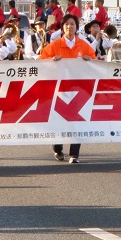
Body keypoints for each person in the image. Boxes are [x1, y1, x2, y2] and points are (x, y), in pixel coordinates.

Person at [40, 14, 94, 164]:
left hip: (78, 90)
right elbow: (41, 61)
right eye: (66, 24)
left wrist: (89, 60)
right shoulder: (55, 45)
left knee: (76, 121)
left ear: (77, 27)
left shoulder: (83, 45)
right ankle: (57, 148)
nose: (69, 27)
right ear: (62, 27)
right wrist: (51, 61)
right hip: (59, 89)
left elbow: (95, 63)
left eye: (72, 24)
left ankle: (74, 154)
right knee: (58, 120)